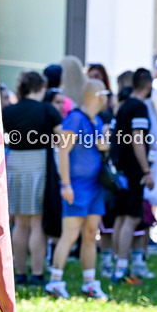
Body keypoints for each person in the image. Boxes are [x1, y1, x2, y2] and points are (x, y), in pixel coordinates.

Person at [45, 79, 110, 300]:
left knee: (91, 234)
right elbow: (63, 152)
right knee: (70, 234)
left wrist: (104, 146)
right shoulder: (74, 118)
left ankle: (90, 282)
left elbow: (97, 148)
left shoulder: (98, 121)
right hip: (77, 186)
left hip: (95, 186)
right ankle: (55, 281)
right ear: (99, 96)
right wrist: (66, 184)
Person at [3, 70, 63, 284]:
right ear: (41, 87)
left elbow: (3, 138)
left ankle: (19, 273)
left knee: (19, 221)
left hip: (15, 163)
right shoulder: (47, 110)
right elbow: (62, 139)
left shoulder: (9, 111)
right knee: (37, 222)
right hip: (40, 163)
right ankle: (37, 273)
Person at [110, 68, 154, 285]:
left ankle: (117, 264)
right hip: (133, 170)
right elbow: (138, 140)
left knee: (120, 218)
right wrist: (146, 170)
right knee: (131, 218)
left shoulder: (123, 105)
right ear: (148, 85)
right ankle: (120, 269)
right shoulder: (139, 107)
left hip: (120, 170)